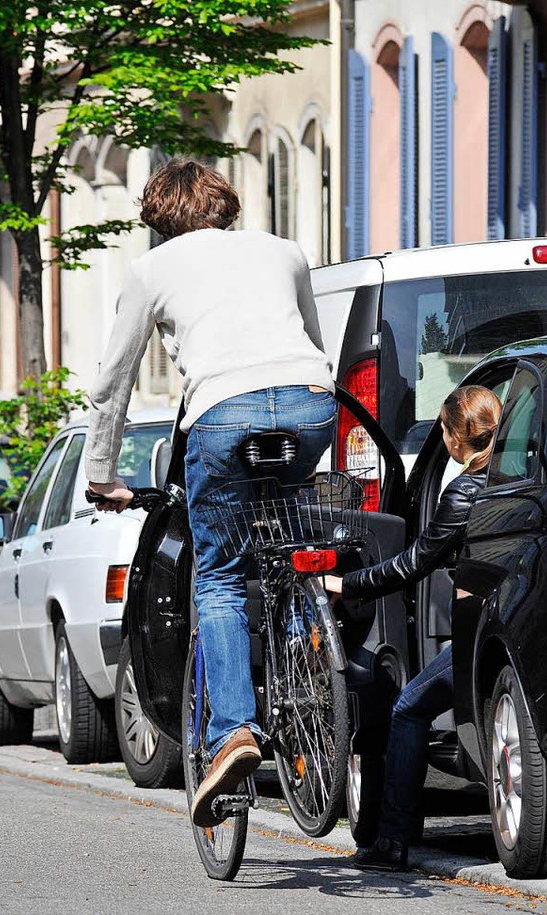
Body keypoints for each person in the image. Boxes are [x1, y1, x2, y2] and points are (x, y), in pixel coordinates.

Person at [84, 159, 336, 827]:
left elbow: (113, 382)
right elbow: (314, 344)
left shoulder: (150, 271)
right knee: (286, 546)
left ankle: (234, 732)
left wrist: (100, 476)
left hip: (223, 412)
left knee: (220, 578)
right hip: (312, 403)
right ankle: (310, 669)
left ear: (162, 219)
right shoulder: (285, 251)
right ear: (225, 203)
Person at [328, 385, 501, 872]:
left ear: (453, 437)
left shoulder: (465, 491)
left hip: (479, 632)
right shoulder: (512, 480)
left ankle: (393, 840)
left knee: (407, 708)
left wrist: (349, 582)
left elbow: (416, 562)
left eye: (443, 430)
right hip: (508, 623)